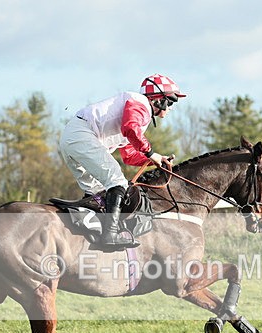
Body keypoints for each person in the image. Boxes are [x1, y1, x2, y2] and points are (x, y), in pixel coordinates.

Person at [59, 74, 186, 249]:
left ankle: (90, 236)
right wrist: (151, 153)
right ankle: (109, 235)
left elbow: (128, 155)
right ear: (158, 100)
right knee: (117, 180)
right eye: (170, 103)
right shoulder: (140, 103)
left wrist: (154, 160)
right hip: (81, 136)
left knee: (99, 193)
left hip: (73, 138)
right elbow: (130, 128)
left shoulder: (139, 114)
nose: (171, 108)